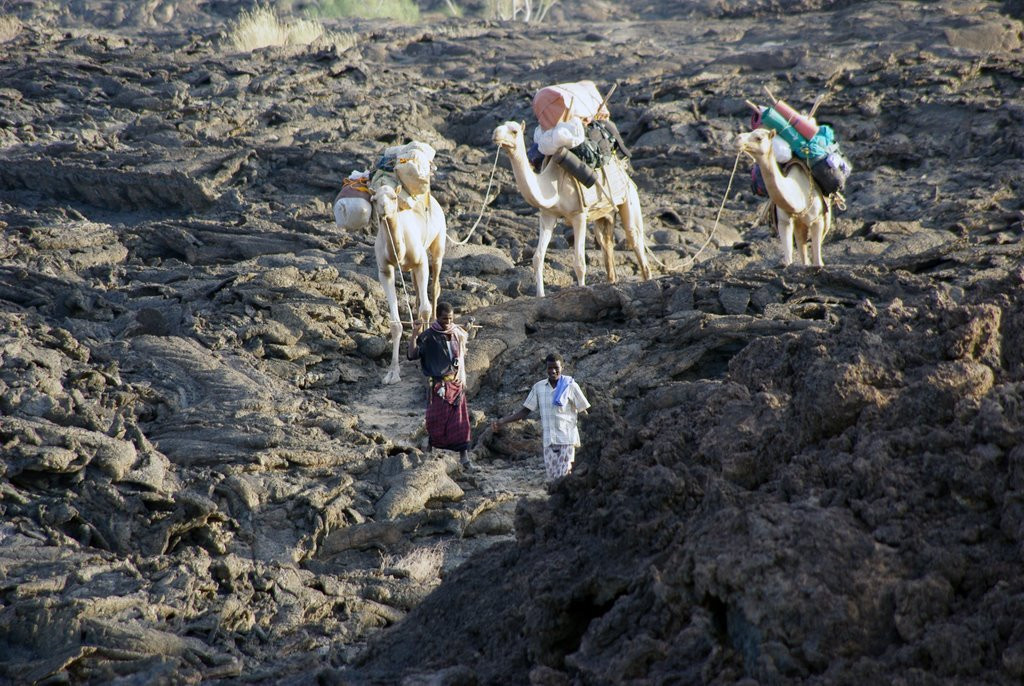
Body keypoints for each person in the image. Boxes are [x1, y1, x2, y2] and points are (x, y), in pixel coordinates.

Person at [491, 352, 590, 481]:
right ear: (546, 368)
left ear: (562, 367)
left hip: (566, 439)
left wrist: (596, 430)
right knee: (552, 479)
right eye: (550, 368)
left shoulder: (570, 386)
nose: (553, 371)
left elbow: (583, 410)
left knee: (564, 477)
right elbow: (524, 412)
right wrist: (502, 421)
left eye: (556, 368)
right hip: (549, 441)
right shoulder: (539, 387)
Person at [408, 302, 472, 469]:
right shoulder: (428, 336)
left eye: (450, 318)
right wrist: (414, 333)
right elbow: (412, 355)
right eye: (444, 319)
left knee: (461, 423)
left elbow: (463, 344)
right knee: (435, 421)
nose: (448, 322)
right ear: (437, 317)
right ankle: (428, 449)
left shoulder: (457, 332)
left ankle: (465, 459)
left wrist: (467, 329)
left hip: (456, 384)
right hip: (438, 386)